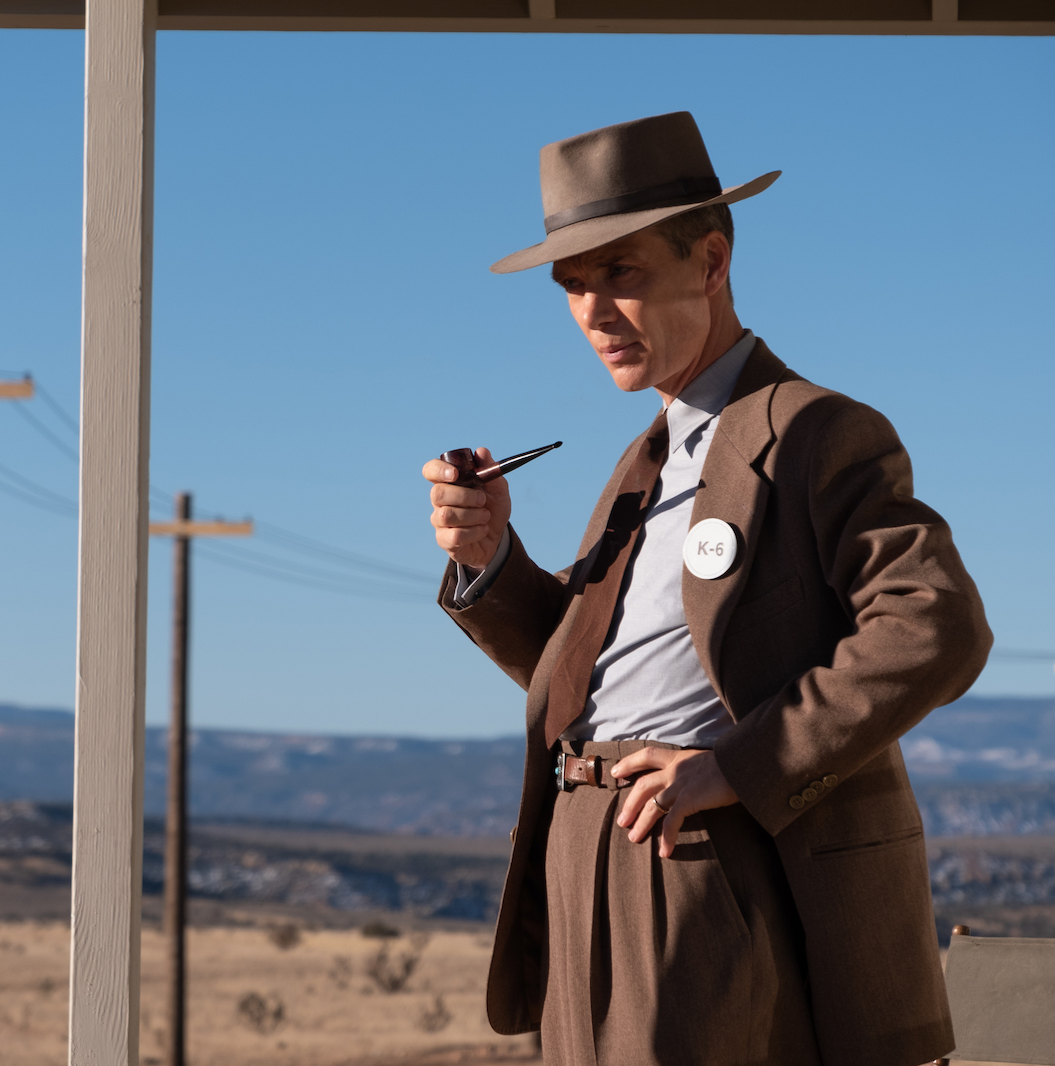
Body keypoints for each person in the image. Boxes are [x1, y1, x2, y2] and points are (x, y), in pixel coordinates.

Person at [423, 112, 991, 1066]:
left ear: (712, 260)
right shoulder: (647, 458)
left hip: (696, 855)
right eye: (573, 286)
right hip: (583, 847)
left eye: (623, 274)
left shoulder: (812, 431)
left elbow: (933, 624)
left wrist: (743, 763)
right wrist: (491, 558)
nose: (595, 312)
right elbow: (580, 674)